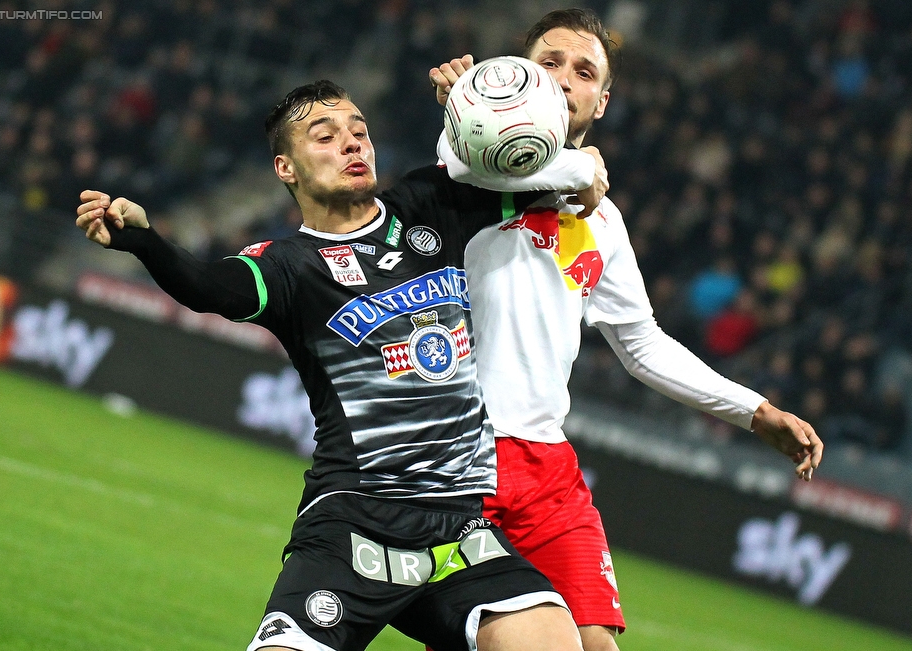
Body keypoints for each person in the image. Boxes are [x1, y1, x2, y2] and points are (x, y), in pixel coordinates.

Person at [75, 80, 588, 651]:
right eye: (326, 137)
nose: (352, 145)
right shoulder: (288, 267)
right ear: (285, 168)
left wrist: (544, 137)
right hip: (353, 523)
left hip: (460, 529)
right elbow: (206, 287)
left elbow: (526, 159)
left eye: (360, 133)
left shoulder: (428, 203)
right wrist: (146, 241)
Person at [427, 8, 824, 651]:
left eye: (582, 72)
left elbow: (641, 345)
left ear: (602, 102)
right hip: (458, 457)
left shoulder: (602, 222)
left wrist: (756, 410)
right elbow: (466, 160)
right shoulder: (471, 166)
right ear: (518, 72)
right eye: (548, 62)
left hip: (547, 469)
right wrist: (468, 107)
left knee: (598, 645)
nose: (562, 79)